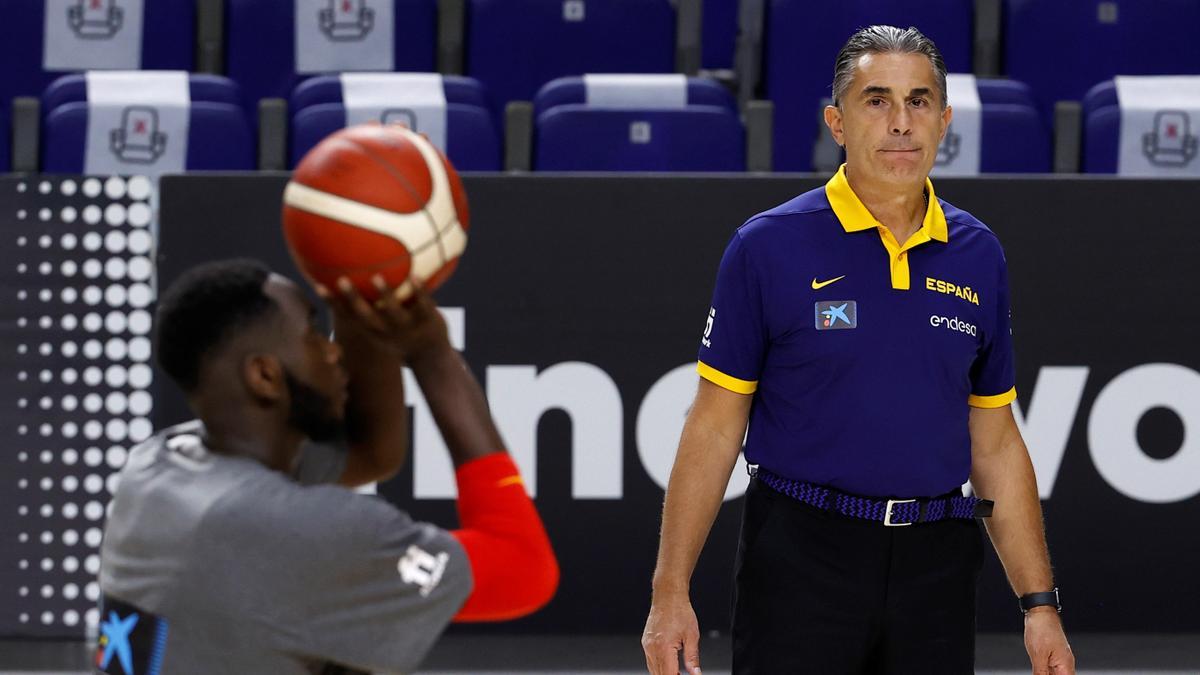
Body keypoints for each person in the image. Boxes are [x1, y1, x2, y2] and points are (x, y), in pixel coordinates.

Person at [641, 25, 1075, 675]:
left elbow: (994, 440)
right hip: (800, 556)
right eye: (877, 100)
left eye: (919, 101)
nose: (902, 123)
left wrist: (1039, 604)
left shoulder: (980, 253)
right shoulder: (767, 247)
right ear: (837, 123)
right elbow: (713, 425)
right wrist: (669, 593)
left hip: (938, 563)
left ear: (945, 119)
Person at [96, 259, 558, 674]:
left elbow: (371, 451)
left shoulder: (156, 464)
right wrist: (431, 355)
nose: (333, 350)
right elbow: (524, 569)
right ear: (264, 375)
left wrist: (354, 292)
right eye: (313, 333)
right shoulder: (292, 532)